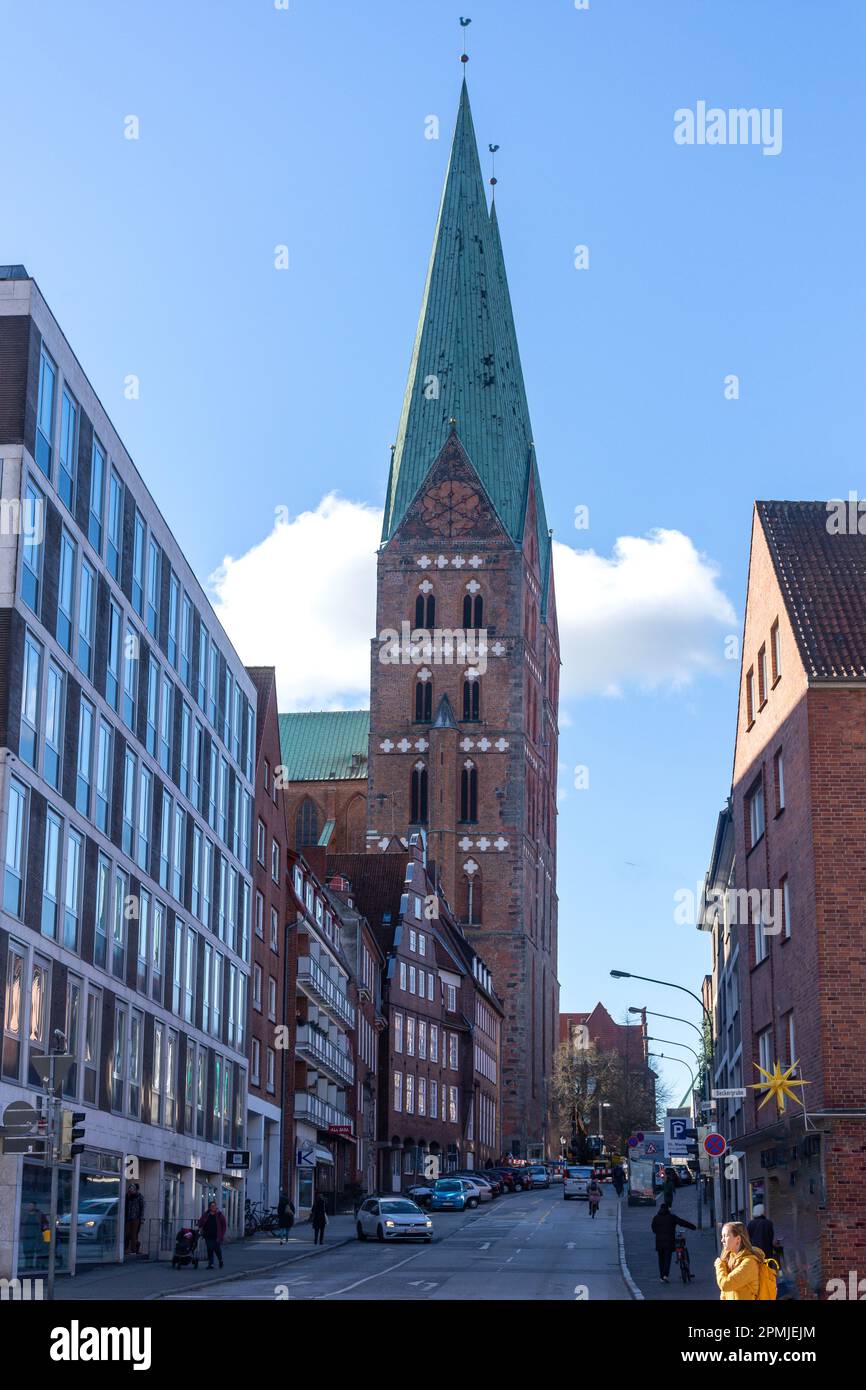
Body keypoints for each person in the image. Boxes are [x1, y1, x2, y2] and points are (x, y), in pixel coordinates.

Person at [715, 1221, 763, 1300]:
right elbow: (724, 1294)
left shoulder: (749, 1263)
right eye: (722, 1236)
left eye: (725, 1236)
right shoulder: (729, 1259)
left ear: (738, 1239)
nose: (722, 1240)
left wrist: (719, 1265)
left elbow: (725, 1285)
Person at [651, 1202, 696, 1283]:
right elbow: (682, 1222)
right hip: (669, 1242)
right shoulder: (672, 1217)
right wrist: (693, 1227)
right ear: (668, 1209)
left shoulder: (656, 1218)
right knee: (667, 1258)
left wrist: (659, 1233)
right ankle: (665, 1275)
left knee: (661, 1259)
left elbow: (653, 1229)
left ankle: (661, 1277)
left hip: (659, 1243)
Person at [197, 1200, 227, 1269]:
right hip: (208, 1235)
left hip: (217, 1235)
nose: (213, 1207)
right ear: (209, 1207)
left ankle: (220, 1260)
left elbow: (224, 1225)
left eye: (214, 1206)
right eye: (211, 1206)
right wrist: (198, 1226)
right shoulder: (206, 1214)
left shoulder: (219, 1215)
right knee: (209, 1249)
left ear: (216, 1207)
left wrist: (222, 1234)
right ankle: (211, 1263)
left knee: (217, 1249)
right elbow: (201, 1221)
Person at [124, 1182, 144, 1255]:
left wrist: (141, 1218)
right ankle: (127, 1248)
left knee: (134, 1234)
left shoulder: (139, 1196)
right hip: (128, 1217)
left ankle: (134, 1249)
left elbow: (142, 1208)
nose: (131, 1189)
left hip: (136, 1218)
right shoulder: (127, 1196)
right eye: (130, 1187)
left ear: (136, 1189)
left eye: (132, 1188)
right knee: (127, 1233)